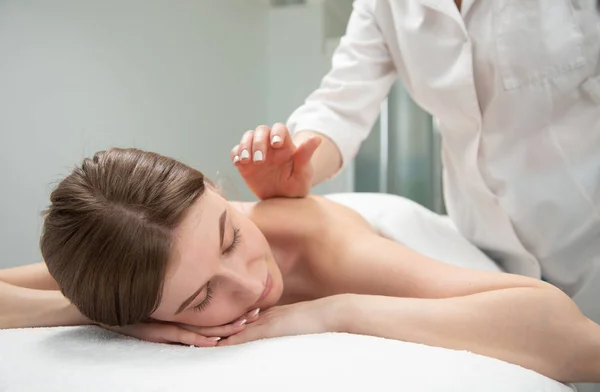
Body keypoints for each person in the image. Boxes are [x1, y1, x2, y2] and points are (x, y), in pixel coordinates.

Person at [1, 147, 599, 384]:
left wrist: (329, 312)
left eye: (231, 237)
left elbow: (570, 336)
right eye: (200, 299)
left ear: (216, 189)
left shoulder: (325, 250)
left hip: (390, 221)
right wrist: (112, 318)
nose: (250, 281)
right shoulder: (140, 253)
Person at [230, 0, 600, 324]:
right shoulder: (383, 2)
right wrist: (301, 162)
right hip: (487, 244)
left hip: (586, 231)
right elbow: (339, 108)